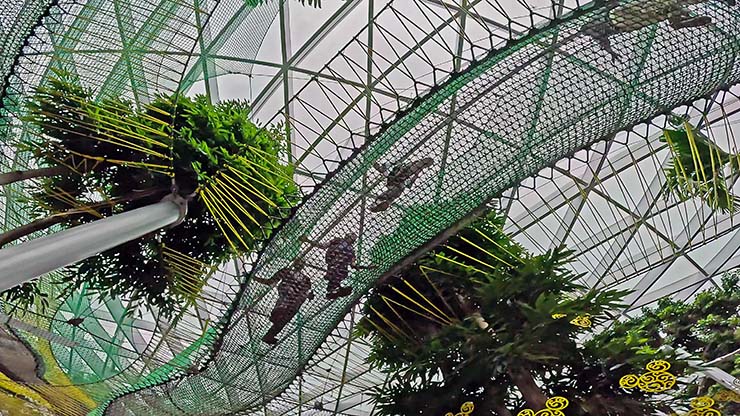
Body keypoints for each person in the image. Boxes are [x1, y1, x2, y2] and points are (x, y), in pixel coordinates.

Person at [253, 259, 314, 344]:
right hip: (287, 295)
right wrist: (254, 278)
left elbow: (306, 292)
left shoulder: (306, 279)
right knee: (282, 308)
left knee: (283, 321)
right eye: (298, 261)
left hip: (295, 302)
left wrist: (309, 296)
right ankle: (276, 315)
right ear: (294, 263)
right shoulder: (286, 271)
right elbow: (270, 281)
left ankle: (269, 335)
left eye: (302, 262)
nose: (299, 263)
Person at [300, 233, 374, 299]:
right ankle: (334, 289)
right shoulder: (339, 241)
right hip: (336, 266)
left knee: (337, 276)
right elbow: (323, 246)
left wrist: (367, 267)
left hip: (339, 268)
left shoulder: (351, 250)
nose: (350, 239)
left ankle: (334, 290)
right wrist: (307, 240)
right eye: (351, 237)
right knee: (336, 276)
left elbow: (353, 265)